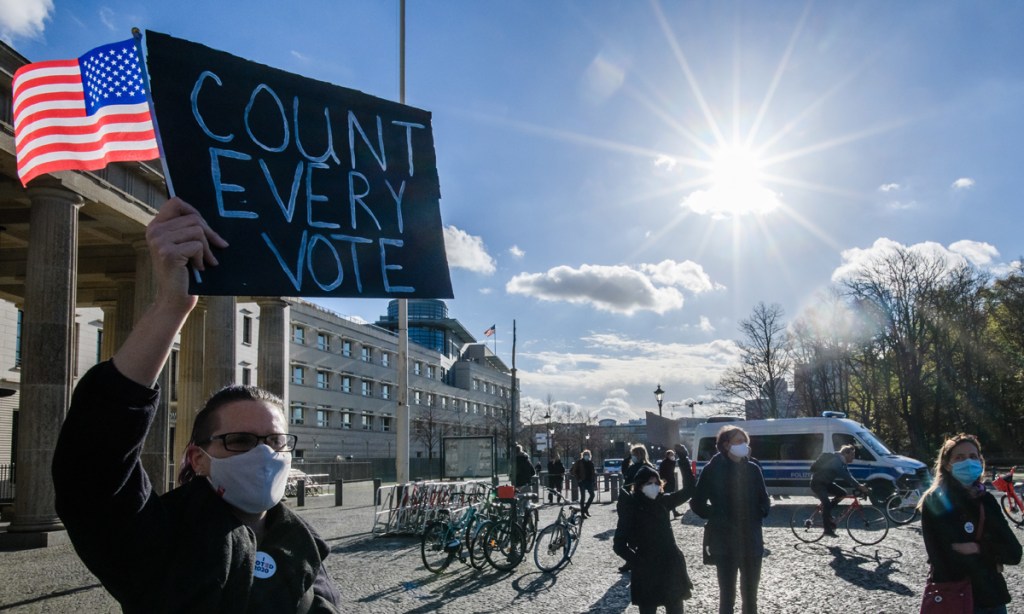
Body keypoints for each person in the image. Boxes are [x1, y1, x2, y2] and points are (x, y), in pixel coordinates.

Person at [51, 197, 341, 612]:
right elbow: (92, 464)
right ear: (198, 458)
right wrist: (171, 306)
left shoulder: (303, 545)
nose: (264, 453)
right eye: (239, 440)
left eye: (275, 441)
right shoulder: (156, 536)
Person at [920, 433, 1021, 614]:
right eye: (959, 457)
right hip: (955, 597)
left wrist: (977, 548)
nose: (968, 462)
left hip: (992, 599)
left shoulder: (987, 500)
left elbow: (1014, 552)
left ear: (981, 461)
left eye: (973, 457)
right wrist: (993, 560)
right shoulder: (935, 501)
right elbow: (943, 559)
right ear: (947, 464)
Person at [691, 425, 770, 614]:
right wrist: (717, 515)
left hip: (751, 540)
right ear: (726, 445)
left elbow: (764, 498)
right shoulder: (712, 469)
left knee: (751, 596)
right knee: (727, 596)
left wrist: (760, 511)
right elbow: (697, 502)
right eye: (738, 441)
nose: (743, 445)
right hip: (724, 542)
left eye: (745, 441)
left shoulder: (753, 468)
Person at [613, 463, 696, 614]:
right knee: (648, 609)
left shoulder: (663, 501)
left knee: (676, 608)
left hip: (670, 565)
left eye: (656, 483)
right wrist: (638, 561)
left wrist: (683, 460)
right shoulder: (631, 507)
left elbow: (689, 490)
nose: (654, 486)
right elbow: (619, 544)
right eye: (649, 483)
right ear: (639, 485)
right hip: (647, 570)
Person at [809, 444, 870, 537]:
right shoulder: (836, 461)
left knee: (842, 493)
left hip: (826, 483)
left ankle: (827, 512)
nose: (853, 458)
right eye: (852, 455)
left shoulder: (842, 462)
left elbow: (848, 475)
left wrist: (859, 486)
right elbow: (844, 475)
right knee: (827, 504)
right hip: (818, 483)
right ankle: (827, 530)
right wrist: (858, 486)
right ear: (846, 453)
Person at [571, 449, 597, 517]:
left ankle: (585, 509)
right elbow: (573, 471)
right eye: (585, 454)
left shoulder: (591, 463)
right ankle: (582, 513)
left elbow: (593, 473)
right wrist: (578, 479)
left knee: (592, 495)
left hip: (589, 481)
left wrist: (594, 481)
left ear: (590, 455)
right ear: (583, 455)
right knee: (583, 497)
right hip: (582, 481)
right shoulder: (579, 462)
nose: (586, 456)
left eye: (588, 455)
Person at [659, 448, 681, 518]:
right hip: (666, 482)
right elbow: (661, 473)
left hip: (672, 481)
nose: (673, 456)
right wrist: (663, 480)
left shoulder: (672, 462)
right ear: (667, 455)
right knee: (668, 497)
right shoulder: (664, 463)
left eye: (673, 454)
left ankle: (674, 512)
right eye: (671, 454)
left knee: (672, 496)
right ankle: (667, 512)